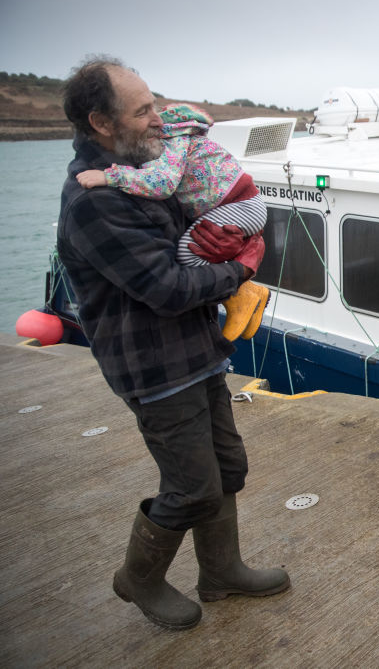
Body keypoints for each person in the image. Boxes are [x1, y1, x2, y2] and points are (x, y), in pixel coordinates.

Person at [57, 56, 289, 631]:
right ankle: (137, 577)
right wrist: (239, 272)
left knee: (227, 467)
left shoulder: (146, 170)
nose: (158, 119)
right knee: (191, 487)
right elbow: (166, 287)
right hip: (154, 369)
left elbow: (202, 225)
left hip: (197, 351)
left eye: (155, 104)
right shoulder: (95, 201)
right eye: (142, 111)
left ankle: (221, 571)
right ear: (102, 122)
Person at [75, 102, 269, 341]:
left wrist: (111, 175)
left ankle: (240, 293)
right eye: (141, 111)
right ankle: (241, 291)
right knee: (197, 247)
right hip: (243, 204)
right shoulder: (184, 140)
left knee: (189, 254)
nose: (152, 121)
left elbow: (162, 183)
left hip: (236, 205)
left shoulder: (173, 143)